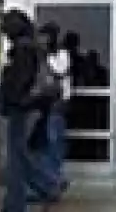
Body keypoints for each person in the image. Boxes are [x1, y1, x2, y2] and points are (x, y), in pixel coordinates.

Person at [0, 9, 59, 212]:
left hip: (23, 109)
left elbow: (19, 83)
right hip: (32, 107)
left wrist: (9, 98)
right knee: (20, 156)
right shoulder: (33, 49)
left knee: (16, 158)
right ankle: (42, 189)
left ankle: (22, 200)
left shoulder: (23, 51)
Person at [34, 22, 72, 197]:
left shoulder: (61, 54)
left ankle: (55, 179)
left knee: (54, 141)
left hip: (56, 104)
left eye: (44, 37)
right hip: (42, 105)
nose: (41, 40)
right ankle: (50, 181)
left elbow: (60, 71)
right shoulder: (39, 56)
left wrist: (46, 57)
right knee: (45, 144)